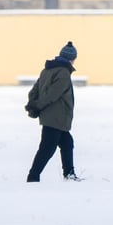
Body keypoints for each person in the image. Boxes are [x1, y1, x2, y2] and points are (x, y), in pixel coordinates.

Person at [25, 41, 80, 182]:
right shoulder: (63, 73)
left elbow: (35, 90)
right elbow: (53, 94)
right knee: (47, 148)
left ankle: (69, 174)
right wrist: (37, 106)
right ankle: (33, 177)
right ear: (72, 59)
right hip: (56, 117)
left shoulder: (47, 70)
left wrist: (33, 103)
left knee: (67, 142)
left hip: (52, 116)